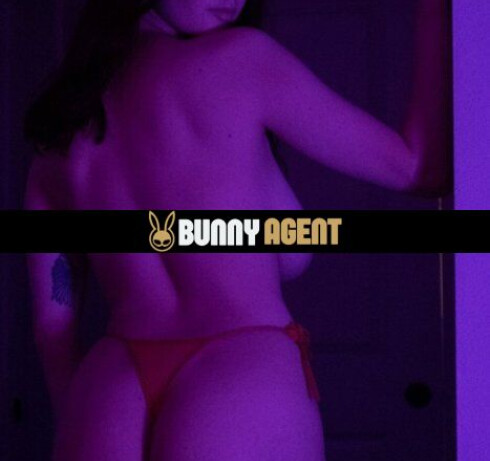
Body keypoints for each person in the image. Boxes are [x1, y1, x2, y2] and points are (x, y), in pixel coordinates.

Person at [22, 0, 451, 459]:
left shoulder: (61, 134)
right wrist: (434, 11)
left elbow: (53, 329)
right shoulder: (242, 60)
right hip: (239, 368)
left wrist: (79, 422)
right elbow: (418, 169)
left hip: (109, 390)